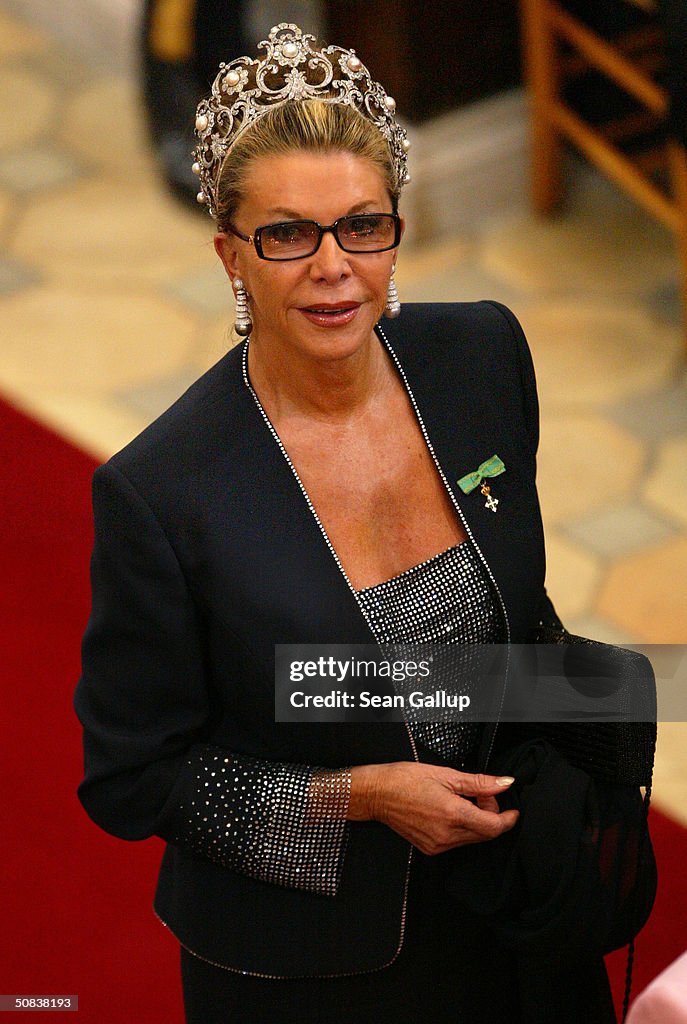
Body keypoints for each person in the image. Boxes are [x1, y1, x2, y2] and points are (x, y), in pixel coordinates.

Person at [74, 24, 654, 1024]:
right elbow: (134, 778)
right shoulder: (164, 492)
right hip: (315, 967)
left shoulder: (482, 357)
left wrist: (602, 722)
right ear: (231, 256)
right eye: (289, 232)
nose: (334, 266)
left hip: (517, 906)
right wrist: (364, 796)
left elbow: (514, 611)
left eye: (364, 225)